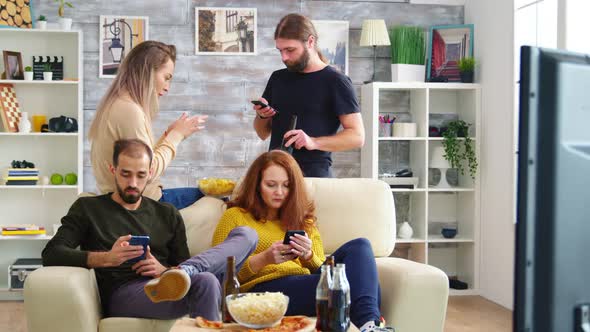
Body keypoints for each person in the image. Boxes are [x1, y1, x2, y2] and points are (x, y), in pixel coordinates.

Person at [43, 139, 258, 320]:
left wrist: (164, 270)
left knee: (247, 235)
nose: (133, 183)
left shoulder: (167, 213)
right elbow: (52, 253)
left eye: (141, 175)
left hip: (168, 282)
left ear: (151, 172)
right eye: (125, 174)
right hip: (123, 292)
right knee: (207, 280)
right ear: (113, 170)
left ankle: (189, 270)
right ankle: (188, 273)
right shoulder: (89, 208)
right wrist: (107, 258)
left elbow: (179, 260)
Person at [212, 150, 393, 332]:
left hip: (306, 282)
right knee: (357, 286)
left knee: (360, 246)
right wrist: (264, 259)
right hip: (263, 290)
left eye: (287, 185)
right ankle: (368, 323)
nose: (279, 192)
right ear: (257, 185)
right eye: (271, 185)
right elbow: (219, 275)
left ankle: (369, 325)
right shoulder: (235, 217)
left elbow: (321, 266)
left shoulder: (303, 219)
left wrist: (308, 255)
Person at [89, 40, 208, 210]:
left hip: (122, 199)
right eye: (166, 78)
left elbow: (141, 159)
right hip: (142, 203)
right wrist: (177, 136)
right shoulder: (129, 111)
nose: (167, 87)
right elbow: (148, 172)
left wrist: (168, 134)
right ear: (148, 72)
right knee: (216, 199)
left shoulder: (117, 104)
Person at [252, 13, 365, 178]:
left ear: (310, 42)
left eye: (290, 50)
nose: (284, 57)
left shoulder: (336, 81)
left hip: (313, 178)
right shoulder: (277, 78)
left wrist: (313, 142)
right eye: (280, 50)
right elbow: (262, 133)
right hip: (276, 177)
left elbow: (357, 137)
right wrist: (261, 116)